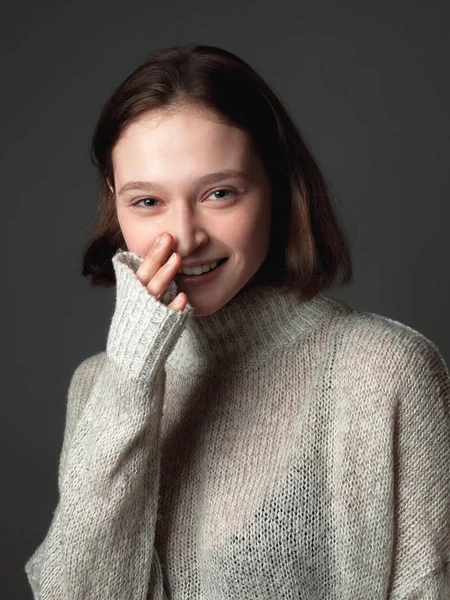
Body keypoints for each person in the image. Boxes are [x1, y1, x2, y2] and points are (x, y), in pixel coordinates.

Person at [25, 44, 450, 599]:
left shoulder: (384, 372)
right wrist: (130, 376)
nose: (183, 236)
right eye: (147, 201)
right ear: (115, 200)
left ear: (275, 183)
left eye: (219, 193)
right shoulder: (98, 388)